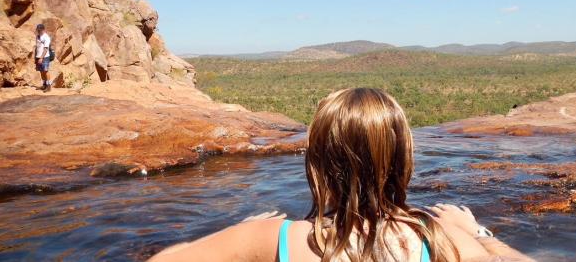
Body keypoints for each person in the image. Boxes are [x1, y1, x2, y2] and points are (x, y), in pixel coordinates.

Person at [149, 88, 533, 262]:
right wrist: (479, 234)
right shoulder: (443, 242)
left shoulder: (273, 239)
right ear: (404, 159)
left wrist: (238, 235)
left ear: (315, 163)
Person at [34, 24, 52, 92]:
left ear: (43, 30)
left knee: (45, 71)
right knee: (41, 71)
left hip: (44, 57)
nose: (38, 31)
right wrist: (36, 57)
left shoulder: (46, 37)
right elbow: (37, 47)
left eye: (40, 30)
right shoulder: (38, 36)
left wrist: (41, 58)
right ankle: (44, 85)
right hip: (38, 56)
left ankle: (49, 86)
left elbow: (46, 49)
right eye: (38, 30)